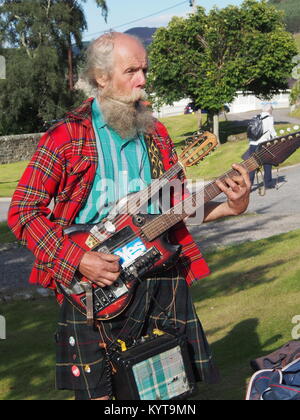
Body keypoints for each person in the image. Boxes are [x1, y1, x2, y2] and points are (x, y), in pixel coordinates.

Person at [7, 32, 251, 401]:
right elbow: (23, 211)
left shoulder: (157, 134)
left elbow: (178, 206)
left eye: (144, 70)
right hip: (94, 287)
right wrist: (79, 258)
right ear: (101, 77)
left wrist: (231, 206)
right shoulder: (68, 136)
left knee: (171, 394)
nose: (142, 80)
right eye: (131, 71)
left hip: (162, 281)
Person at [248, 105, 277, 189]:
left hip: (252, 144)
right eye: (272, 110)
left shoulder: (255, 117)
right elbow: (272, 131)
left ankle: (248, 186)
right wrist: (275, 138)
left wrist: (251, 142)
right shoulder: (269, 118)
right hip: (263, 145)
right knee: (267, 163)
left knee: (252, 165)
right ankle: (268, 183)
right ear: (269, 110)